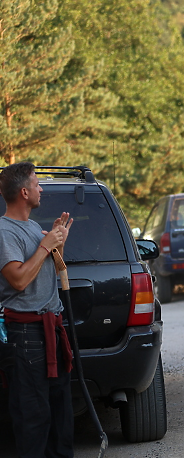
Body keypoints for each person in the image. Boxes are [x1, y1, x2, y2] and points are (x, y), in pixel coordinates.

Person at [0, 162, 75, 457]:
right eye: (36, 183)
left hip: (51, 331)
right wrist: (45, 245)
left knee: (61, 415)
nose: (41, 188)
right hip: (26, 337)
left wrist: (58, 245)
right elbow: (18, 280)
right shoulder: (5, 232)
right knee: (34, 417)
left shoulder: (31, 227)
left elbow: (53, 270)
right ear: (23, 192)